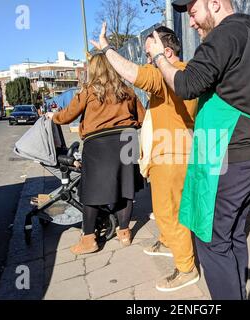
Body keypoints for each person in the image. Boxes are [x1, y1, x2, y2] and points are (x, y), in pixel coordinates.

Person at [147, 0, 250, 300]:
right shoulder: (246, 38)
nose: (191, 23)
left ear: (214, 3)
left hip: (227, 158)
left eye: (192, 13)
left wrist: (158, 58)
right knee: (232, 237)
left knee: (212, 242)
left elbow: (187, 84)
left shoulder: (225, 35)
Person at [91, 25, 199, 292]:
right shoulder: (186, 73)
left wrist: (106, 49)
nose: (147, 57)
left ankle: (187, 269)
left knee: (169, 212)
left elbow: (132, 74)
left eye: (150, 50)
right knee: (168, 209)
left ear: (167, 51)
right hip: (177, 153)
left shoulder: (164, 74)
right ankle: (167, 242)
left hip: (169, 156)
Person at [46, 50, 145, 255]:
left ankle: (89, 239)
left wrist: (52, 117)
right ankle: (124, 232)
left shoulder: (89, 91)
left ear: (94, 69)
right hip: (126, 139)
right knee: (125, 187)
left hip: (98, 144)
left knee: (91, 191)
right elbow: (142, 118)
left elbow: (66, 116)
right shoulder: (127, 90)